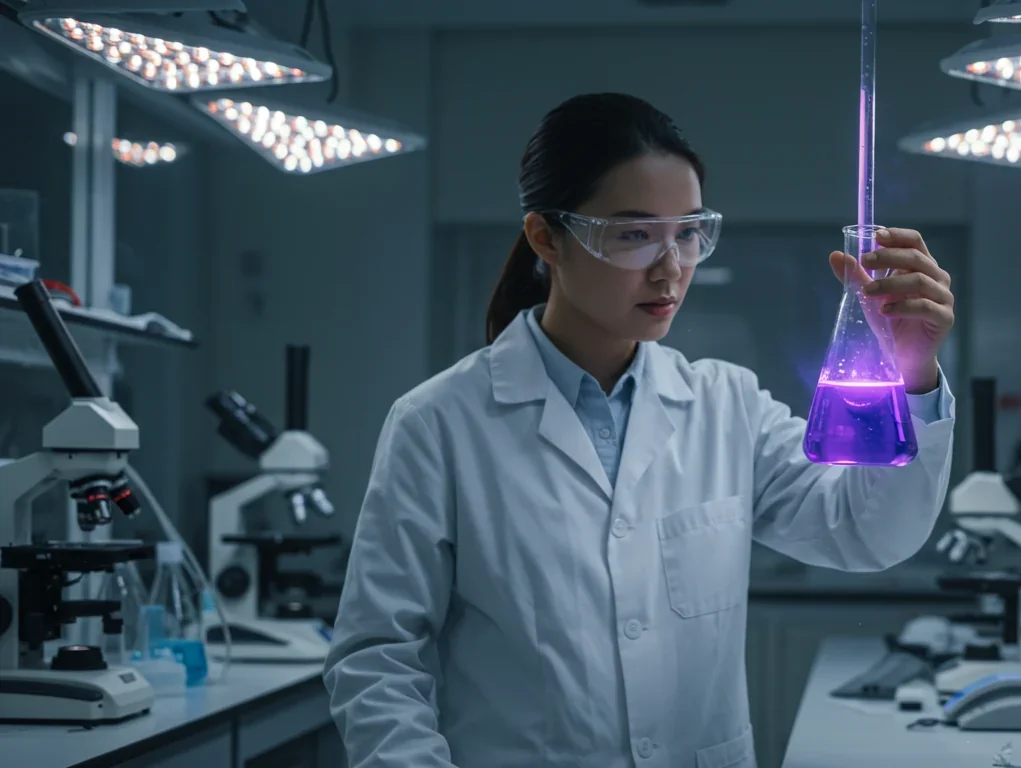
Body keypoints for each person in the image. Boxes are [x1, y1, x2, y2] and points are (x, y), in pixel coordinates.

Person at [325, 93, 957, 768]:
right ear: (546, 239)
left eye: (688, 232)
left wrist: (913, 375)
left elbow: (868, 533)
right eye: (633, 235)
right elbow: (379, 660)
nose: (671, 267)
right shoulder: (439, 424)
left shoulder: (725, 405)